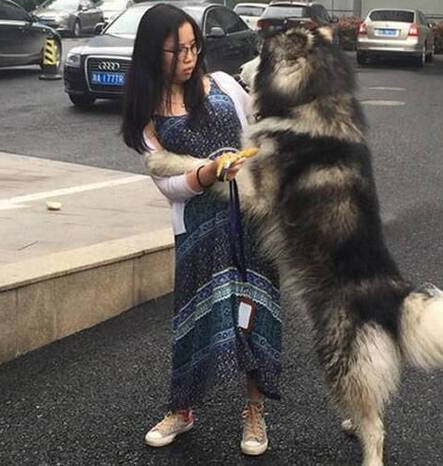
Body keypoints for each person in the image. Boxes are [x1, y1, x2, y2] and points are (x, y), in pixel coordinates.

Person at [121, 4, 281, 457]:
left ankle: (253, 411)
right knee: (193, 320)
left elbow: (263, 128)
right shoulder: (146, 117)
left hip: (250, 219)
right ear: (154, 53)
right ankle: (182, 408)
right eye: (178, 50)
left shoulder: (225, 85)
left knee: (255, 312)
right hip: (198, 228)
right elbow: (169, 185)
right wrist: (208, 174)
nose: (189, 58)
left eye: (194, 47)